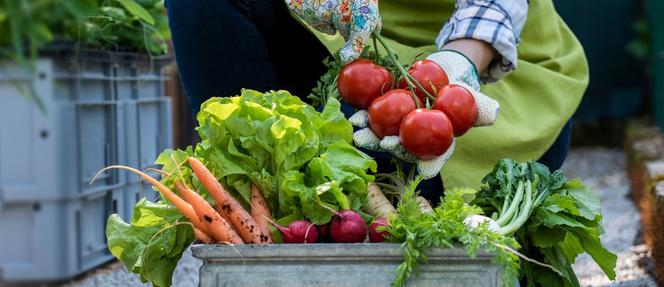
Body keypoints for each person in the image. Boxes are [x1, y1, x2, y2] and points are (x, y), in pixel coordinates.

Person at [164, 0, 587, 204]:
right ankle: (253, 209)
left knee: (373, 157)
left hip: (488, 62)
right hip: (348, 49)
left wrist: (459, 64)